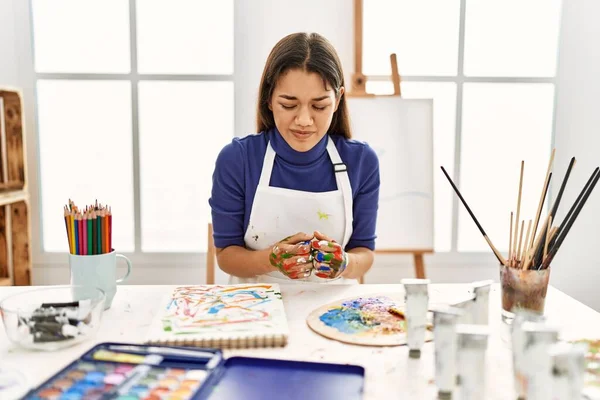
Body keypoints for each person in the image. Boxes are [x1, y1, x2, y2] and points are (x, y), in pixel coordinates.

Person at [209, 32, 380, 284]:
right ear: (269, 99)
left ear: (338, 99)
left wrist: (344, 263)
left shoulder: (361, 161)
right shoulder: (237, 159)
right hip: (255, 308)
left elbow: (364, 253)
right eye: (288, 105)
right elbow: (226, 255)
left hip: (331, 309)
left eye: (319, 106)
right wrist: (271, 259)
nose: (303, 120)